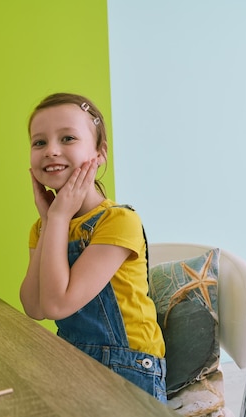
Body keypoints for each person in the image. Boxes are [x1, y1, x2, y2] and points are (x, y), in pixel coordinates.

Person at [20, 92, 167, 402]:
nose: (52, 151)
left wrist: (58, 217)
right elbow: (34, 307)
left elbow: (58, 305)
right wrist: (51, 223)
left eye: (68, 138)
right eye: (39, 142)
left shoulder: (118, 221)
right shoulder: (45, 226)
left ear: (100, 153)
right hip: (72, 359)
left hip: (129, 369)